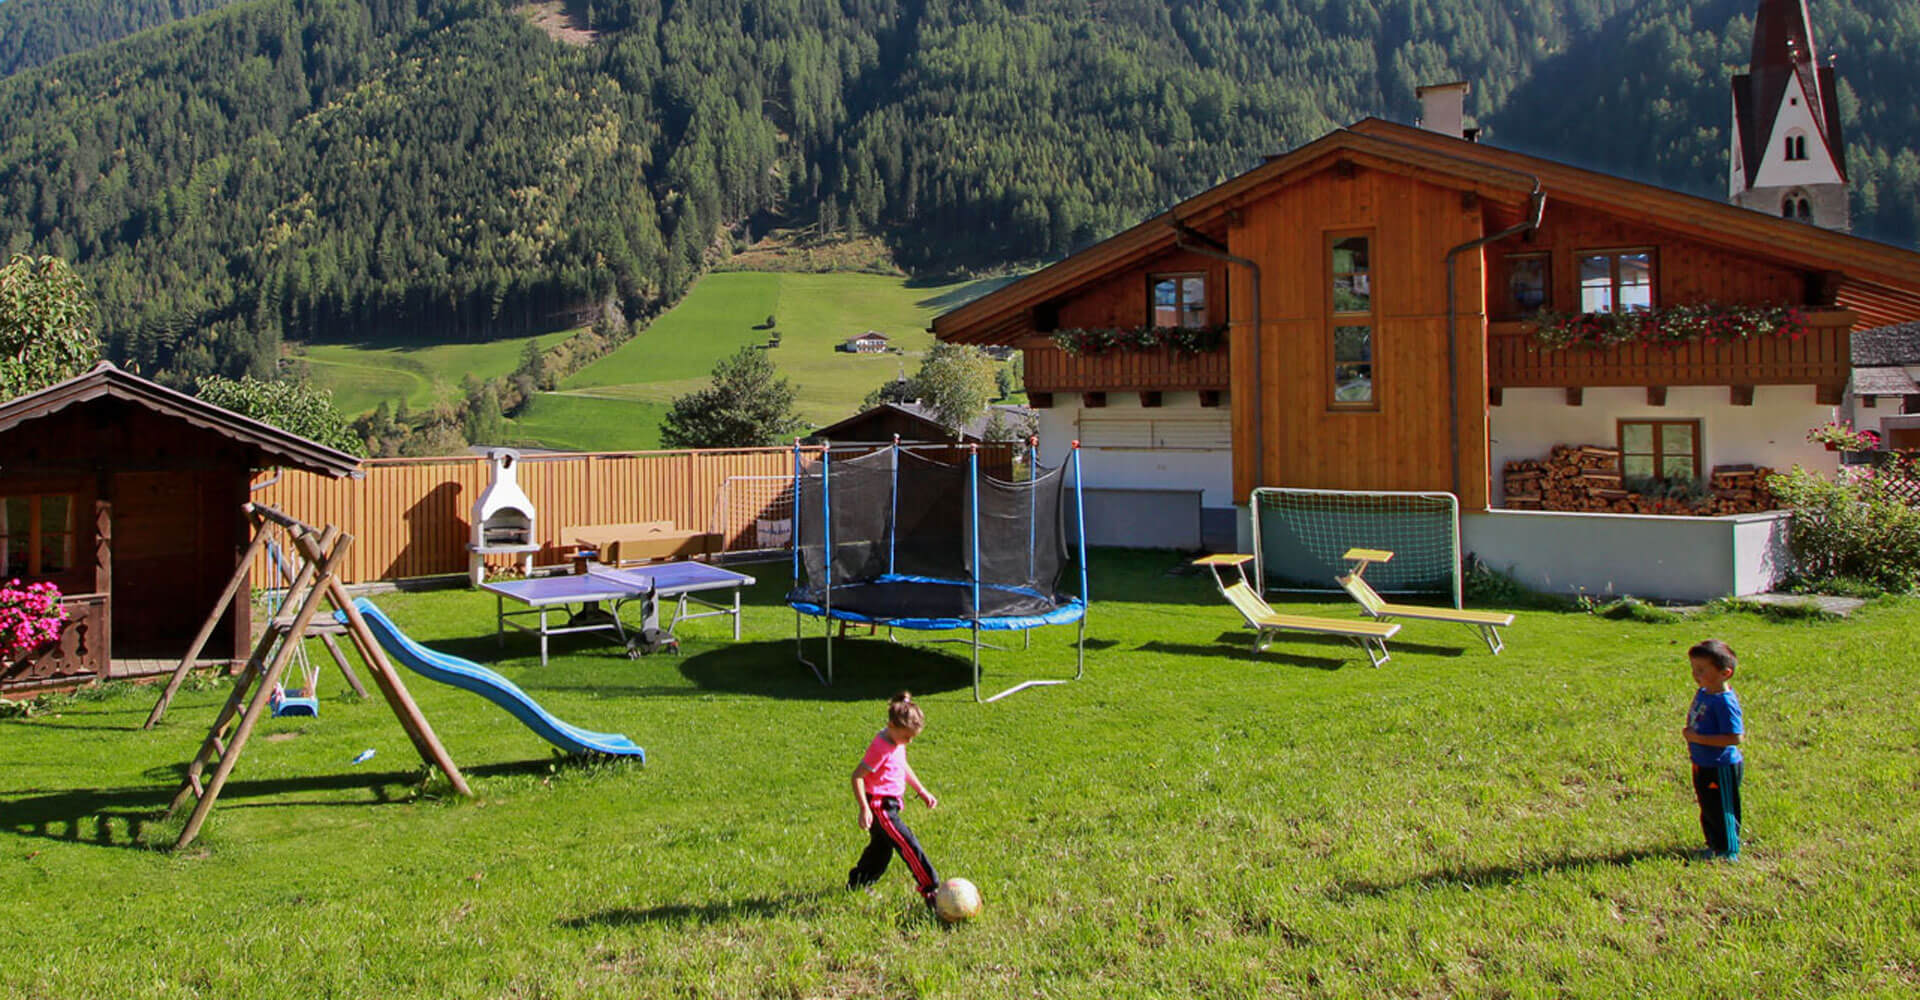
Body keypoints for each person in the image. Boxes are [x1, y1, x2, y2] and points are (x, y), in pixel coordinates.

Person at [848, 691, 940, 906]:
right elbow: (857, 776)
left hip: (889, 804)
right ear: (891, 725)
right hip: (880, 806)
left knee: (881, 849)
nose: (908, 741)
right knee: (908, 845)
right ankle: (931, 890)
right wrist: (864, 808)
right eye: (906, 737)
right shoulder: (880, 746)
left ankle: (859, 882)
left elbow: (902, 766)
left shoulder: (896, 741)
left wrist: (922, 790)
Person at [1682, 639, 1744, 860]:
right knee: (1708, 806)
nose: (1695, 674)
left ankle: (1728, 850)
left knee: (1722, 808)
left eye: (1701, 670)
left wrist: (1698, 738)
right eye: (1693, 669)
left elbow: (1735, 737)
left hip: (1721, 766)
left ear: (1725, 673)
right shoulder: (1704, 692)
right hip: (1702, 762)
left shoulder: (1724, 702)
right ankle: (1713, 846)